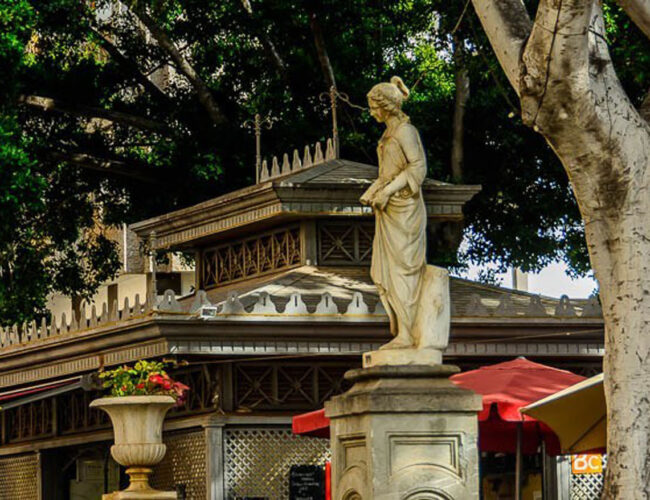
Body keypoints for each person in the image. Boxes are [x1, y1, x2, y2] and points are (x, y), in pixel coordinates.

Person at [360, 76, 433, 350]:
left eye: (374, 106)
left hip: (405, 208)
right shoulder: (388, 134)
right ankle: (401, 330)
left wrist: (389, 191)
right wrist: (375, 190)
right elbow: (387, 172)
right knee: (386, 271)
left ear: (387, 106)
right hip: (388, 211)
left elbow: (417, 169)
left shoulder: (406, 132)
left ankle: (408, 333)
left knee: (404, 270)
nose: (371, 112)